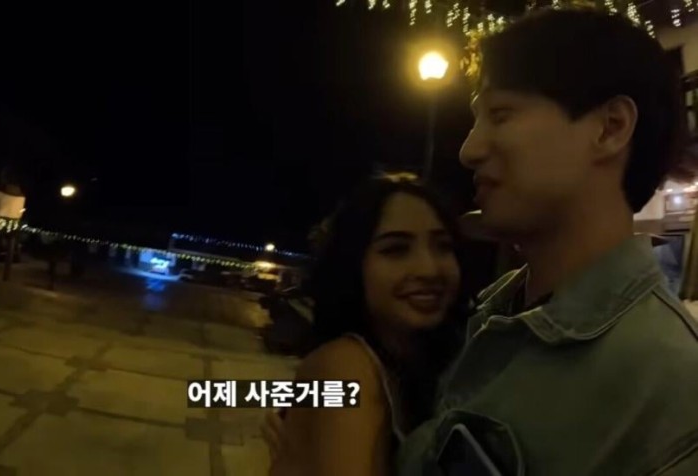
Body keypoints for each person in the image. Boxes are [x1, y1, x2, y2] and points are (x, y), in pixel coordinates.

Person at [394, 7, 698, 475]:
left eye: (500, 115)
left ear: (610, 127)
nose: (469, 150)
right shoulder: (488, 316)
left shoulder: (672, 389)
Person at [264, 173, 473, 475]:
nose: (429, 269)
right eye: (396, 249)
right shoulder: (345, 367)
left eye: (443, 246)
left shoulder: (435, 362)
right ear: (353, 265)